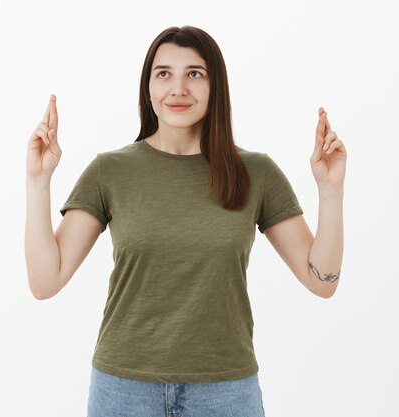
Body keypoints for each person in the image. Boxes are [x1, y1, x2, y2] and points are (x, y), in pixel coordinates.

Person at [25, 25, 346, 417]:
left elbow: (322, 281)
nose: (178, 88)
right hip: (125, 391)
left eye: (194, 74)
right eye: (164, 74)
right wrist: (39, 182)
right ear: (148, 87)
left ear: (216, 87)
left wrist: (330, 193)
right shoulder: (110, 172)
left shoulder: (255, 172)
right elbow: (45, 282)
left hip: (226, 392)